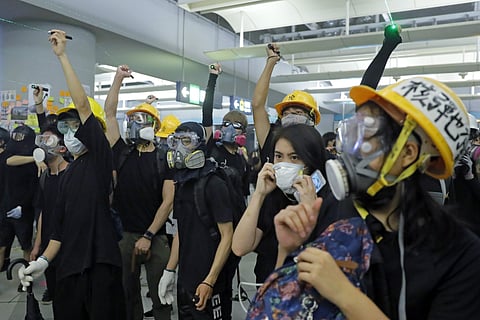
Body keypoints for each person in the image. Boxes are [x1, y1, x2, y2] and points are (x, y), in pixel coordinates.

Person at [270, 77, 480, 319]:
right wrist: (289, 250)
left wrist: (344, 294)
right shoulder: (338, 212)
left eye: (367, 136)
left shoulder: (459, 255)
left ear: (408, 153)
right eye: (353, 132)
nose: (352, 148)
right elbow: (286, 307)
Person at [18, 29, 125, 320]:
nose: (69, 132)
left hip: (100, 265)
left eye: (75, 126)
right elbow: (59, 231)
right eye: (65, 127)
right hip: (68, 268)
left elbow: (82, 105)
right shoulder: (67, 173)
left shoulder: (99, 159)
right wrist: (42, 261)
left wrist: (62, 55)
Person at [252, 24, 402, 164]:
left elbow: (364, 101)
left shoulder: (321, 158)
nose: (291, 117)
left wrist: (386, 48)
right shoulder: (271, 142)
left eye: (298, 112)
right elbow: (257, 105)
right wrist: (271, 61)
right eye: (287, 113)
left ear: (312, 120)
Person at [104, 64, 174, 320]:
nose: (132, 124)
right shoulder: (122, 152)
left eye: (139, 120)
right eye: (131, 119)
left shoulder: (163, 157)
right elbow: (109, 114)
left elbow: (168, 202)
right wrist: (118, 79)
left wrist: (148, 234)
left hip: (155, 237)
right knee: (126, 293)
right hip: (124, 236)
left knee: (161, 294)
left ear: (153, 126)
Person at [232, 124, 329, 283]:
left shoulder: (329, 199)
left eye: (294, 157)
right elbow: (240, 247)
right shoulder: (272, 196)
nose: (284, 164)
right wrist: (259, 195)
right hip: (271, 288)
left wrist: (309, 210)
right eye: (279, 156)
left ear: (312, 160)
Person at [158, 122, 235, 319]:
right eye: (175, 141)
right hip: (186, 279)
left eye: (187, 141)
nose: (179, 148)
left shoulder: (214, 184)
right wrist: (169, 270)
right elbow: (180, 232)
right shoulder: (182, 182)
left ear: (200, 145)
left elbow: (227, 237)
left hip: (210, 280)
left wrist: (210, 280)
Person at [29, 85, 70, 307]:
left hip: (67, 243)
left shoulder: (72, 175)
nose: (44, 143)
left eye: (50, 140)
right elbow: (44, 211)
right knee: (54, 290)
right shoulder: (46, 176)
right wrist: (37, 245)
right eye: (42, 139)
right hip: (48, 242)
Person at [202, 62, 250, 198]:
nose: (229, 128)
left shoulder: (242, 162)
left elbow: (243, 195)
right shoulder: (212, 148)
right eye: (226, 123)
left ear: (243, 133)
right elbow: (207, 111)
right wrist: (212, 78)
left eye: (236, 125)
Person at [0, 124, 39, 272]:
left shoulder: (34, 154)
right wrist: (34, 158)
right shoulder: (8, 154)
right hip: (5, 207)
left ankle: (26, 278)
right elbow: (9, 160)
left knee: (26, 245)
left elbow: (33, 187)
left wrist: (23, 206)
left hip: (24, 209)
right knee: (2, 244)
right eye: (15, 137)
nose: (17, 140)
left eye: (20, 137)